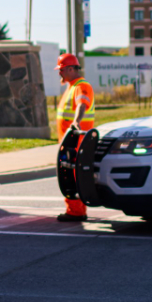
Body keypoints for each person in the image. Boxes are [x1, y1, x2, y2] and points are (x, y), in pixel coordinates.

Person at [55, 52, 95, 222]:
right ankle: (75, 209)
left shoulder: (81, 86)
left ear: (71, 69)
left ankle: (76, 211)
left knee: (70, 175)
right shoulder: (72, 86)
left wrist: (76, 122)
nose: (60, 73)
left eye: (62, 70)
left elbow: (82, 104)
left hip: (75, 142)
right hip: (70, 142)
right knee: (69, 173)